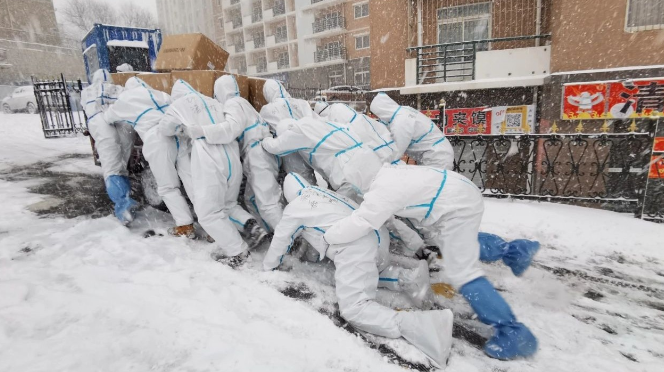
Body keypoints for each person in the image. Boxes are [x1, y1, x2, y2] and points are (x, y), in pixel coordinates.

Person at [323, 164, 539, 360]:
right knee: (455, 241)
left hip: (456, 205)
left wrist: (327, 237)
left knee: (463, 272)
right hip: (457, 192)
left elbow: (362, 221)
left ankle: (513, 332)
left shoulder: (381, 193)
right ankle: (514, 251)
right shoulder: (387, 171)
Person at [264, 173, 453, 368]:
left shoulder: (295, 208)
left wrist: (268, 267)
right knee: (371, 272)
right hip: (377, 236)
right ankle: (407, 279)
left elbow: (281, 240)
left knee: (354, 308)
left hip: (355, 244)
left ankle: (427, 328)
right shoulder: (324, 193)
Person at [159, 79, 268, 264]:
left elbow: (165, 128)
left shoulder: (178, 105)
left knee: (208, 213)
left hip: (209, 158)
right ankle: (252, 226)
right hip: (232, 157)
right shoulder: (215, 102)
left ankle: (238, 252)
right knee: (228, 205)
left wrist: (183, 129)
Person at [101, 77, 196, 237]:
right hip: (179, 135)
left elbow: (108, 117)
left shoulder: (125, 99)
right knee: (191, 180)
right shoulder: (160, 94)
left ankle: (185, 225)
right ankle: (211, 223)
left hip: (158, 139)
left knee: (167, 187)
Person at [201, 75, 283, 231]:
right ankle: (270, 232)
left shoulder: (233, 104)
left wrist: (204, 132)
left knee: (268, 203)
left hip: (257, 154)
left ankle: (291, 240)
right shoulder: (244, 103)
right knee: (250, 199)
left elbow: (231, 129)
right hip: (261, 153)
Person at [261, 117, 382, 203]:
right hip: (368, 158)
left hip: (348, 171)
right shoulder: (317, 124)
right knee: (377, 203)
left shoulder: (298, 131)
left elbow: (275, 147)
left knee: (343, 210)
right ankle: (395, 232)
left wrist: (265, 137)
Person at [81, 69, 136, 224]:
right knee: (122, 163)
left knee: (111, 166)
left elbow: (86, 107)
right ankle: (125, 198)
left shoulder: (87, 92)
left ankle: (123, 206)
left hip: (101, 123)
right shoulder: (119, 89)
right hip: (124, 123)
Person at [370, 93, 454, 169]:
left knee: (431, 184)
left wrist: (380, 162)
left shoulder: (400, 121)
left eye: (378, 115)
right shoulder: (403, 111)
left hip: (437, 157)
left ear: (382, 111)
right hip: (437, 153)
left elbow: (396, 150)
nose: (379, 118)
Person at [259, 80, 317, 185]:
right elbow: (314, 122)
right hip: (309, 145)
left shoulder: (267, 109)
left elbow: (264, 130)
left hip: (288, 149)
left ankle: (306, 199)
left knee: (299, 180)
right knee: (310, 174)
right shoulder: (301, 103)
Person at [325, 103, 397, 164]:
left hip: (380, 164)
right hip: (392, 155)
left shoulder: (350, 129)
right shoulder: (362, 118)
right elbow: (381, 131)